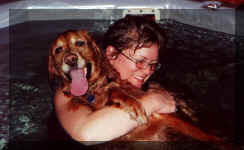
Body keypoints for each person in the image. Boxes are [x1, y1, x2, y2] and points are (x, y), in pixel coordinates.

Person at [53, 15, 176, 145]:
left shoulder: (152, 87)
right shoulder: (69, 91)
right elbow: (86, 134)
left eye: (153, 65)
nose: (147, 72)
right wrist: (153, 101)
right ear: (111, 54)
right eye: (140, 61)